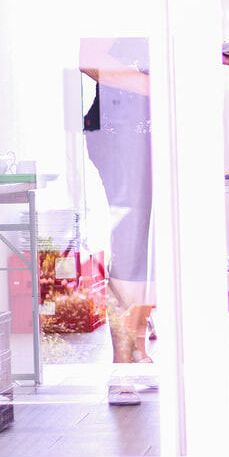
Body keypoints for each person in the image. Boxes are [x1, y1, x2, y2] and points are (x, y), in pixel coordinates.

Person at [81, 36, 155, 406]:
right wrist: (156, 86)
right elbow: (87, 57)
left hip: (158, 128)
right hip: (120, 129)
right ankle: (122, 367)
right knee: (130, 248)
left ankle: (138, 351)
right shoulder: (113, 6)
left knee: (154, 248)